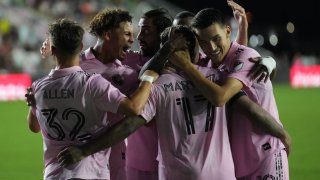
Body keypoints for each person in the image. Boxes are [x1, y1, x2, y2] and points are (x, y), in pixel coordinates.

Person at [56, 25, 289, 180]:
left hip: (178, 174)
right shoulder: (215, 78)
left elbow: (128, 125)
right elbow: (247, 107)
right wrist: (281, 133)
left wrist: (84, 151)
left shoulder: (156, 86)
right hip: (221, 174)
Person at [27, 18, 158, 180]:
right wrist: (148, 79)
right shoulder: (92, 83)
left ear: (53, 50)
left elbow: (34, 127)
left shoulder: (38, 87)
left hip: (54, 174)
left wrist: (33, 104)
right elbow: (133, 108)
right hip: (89, 173)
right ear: (81, 47)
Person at [169, 8, 290, 180]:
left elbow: (220, 97)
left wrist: (187, 66)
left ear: (227, 31)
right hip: (238, 164)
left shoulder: (247, 56)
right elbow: (225, 64)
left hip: (265, 155)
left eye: (216, 38)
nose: (211, 47)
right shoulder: (210, 63)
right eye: (203, 42)